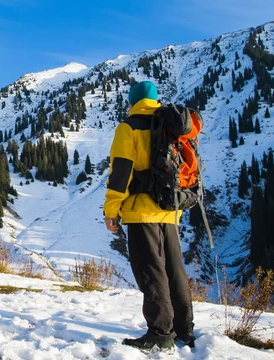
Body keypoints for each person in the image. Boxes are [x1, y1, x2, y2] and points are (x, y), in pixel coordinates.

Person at [103, 81, 195, 351]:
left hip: (141, 210)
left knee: (151, 272)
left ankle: (160, 333)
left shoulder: (129, 126)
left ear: (132, 102)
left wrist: (111, 210)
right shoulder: (168, 124)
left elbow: (121, 172)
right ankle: (184, 330)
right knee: (174, 270)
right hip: (169, 210)